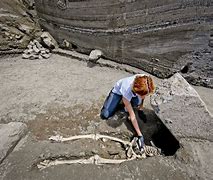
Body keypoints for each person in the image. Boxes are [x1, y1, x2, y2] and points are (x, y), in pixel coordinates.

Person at [100, 74, 155, 151]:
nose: (144, 97)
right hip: (118, 92)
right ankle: (116, 102)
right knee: (105, 115)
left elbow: (144, 93)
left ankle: (127, 104)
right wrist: (140, 135)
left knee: (137, 103)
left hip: (133, 93)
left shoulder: (145, 79)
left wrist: (141, 106)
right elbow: (132, 116)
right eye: (143, 95)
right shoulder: (126, 90)